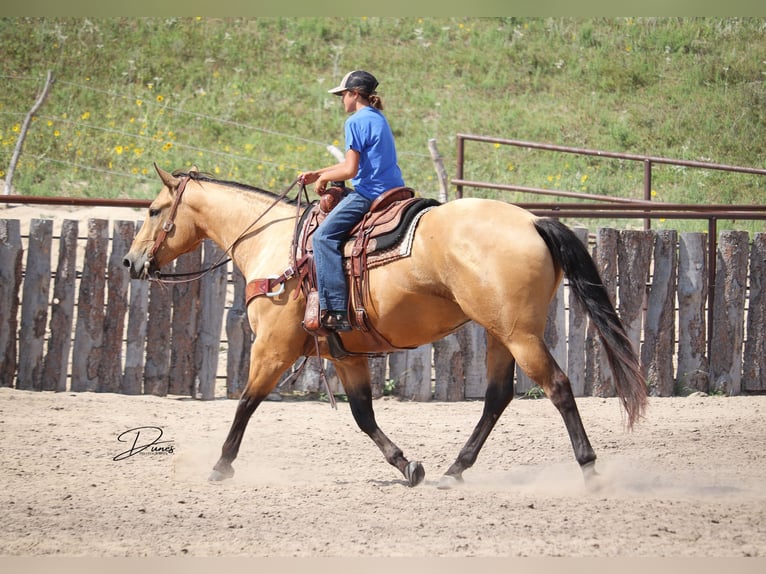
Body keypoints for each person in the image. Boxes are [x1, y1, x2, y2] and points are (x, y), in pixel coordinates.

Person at [299, 70, 405, 332]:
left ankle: (336, 309)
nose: (341, 101)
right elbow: (352, 163)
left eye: (343, 95)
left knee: (322, 238)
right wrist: (320, 172)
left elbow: (350, 171)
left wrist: (322, 181)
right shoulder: (377, 117)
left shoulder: (355, 121)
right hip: (394, 188)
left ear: (354, 94)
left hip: (369, 192)